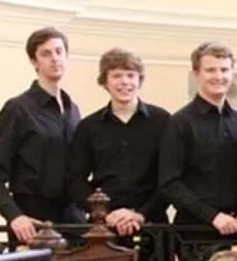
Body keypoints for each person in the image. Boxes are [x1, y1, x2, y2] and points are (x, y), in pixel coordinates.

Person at [0, 26, 84, 244]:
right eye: (46, 54)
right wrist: (15, 216)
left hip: (72, 220)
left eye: (59, 52)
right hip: (32, 222)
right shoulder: (18, 109)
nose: (55, 59)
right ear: (34, 62)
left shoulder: (72, 109)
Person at [158, 41, 237, 234]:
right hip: (196, 230)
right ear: (196, 74)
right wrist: (212, 216)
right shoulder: (179, 122)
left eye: (224, 70)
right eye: (211, 70)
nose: (219, 76)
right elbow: (170, 183)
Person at [68, 48, 171, 236]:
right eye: (116, 75)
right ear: (105, 82)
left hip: (153, 226)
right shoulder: (88, 127)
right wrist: (105, 214)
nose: (125, 82)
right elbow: (76, 180)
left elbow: (170, 177)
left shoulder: (163, 121)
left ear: (139, 80)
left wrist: (140, 214)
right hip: (104, 228)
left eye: (131, 75)